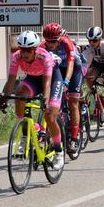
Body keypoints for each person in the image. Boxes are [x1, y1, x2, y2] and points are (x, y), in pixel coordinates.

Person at [0, 30, 65, 170]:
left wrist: (45, 101)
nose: (25, 53)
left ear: (35, 49)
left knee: (50, 116)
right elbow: (11, 80)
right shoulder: (16, 57)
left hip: (52, 80)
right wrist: (5, 96)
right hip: (33, 79)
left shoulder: (44, 56)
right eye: (22, 49)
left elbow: (47, 83)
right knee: (20, 93)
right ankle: (25, 133)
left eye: (28, 50)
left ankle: (59, 151)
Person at [42, 22, 83, 155]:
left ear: (59, 39)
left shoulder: (67, 43)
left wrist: (66, 82)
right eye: (48, 41)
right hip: (58, 69)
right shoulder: (44, 46)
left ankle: (75, 138)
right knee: (53, 103)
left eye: (53, 41)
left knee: (73, 102)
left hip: (74, 69)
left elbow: (71, 64)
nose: (50, 44)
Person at [82, 26, 104, 132]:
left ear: (100, 39)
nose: (92, 43)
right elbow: (84, 64)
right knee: (88, 77)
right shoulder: (88, 48)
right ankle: (96, 97)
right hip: (97, 64)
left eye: (94, 40)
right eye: (89, 40)